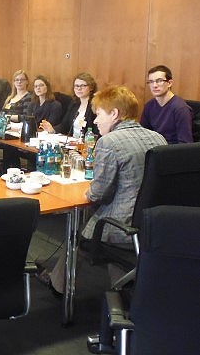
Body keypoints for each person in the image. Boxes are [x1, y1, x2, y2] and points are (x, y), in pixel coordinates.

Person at [39, 86, 167, 301]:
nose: (96, 121)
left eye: (99, 114)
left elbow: (97, 193)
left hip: (119, 228)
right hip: (150, 224)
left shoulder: (109, 142)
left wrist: (87, 190)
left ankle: (59, 285)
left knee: (79, 235)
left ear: (114, 114)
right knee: (102, 234)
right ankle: (125, 289)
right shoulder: (158, 138)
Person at [140, 65, 193, 144]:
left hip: (171, 150)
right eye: (151, 81)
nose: (154, 85)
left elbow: (185, 143)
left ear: (169, 83)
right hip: (154, 148)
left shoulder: (181, 109)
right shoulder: (149, 106)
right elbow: (143, 134)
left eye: (159, 81)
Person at [41, 72, 100, 137]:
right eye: (76, 86)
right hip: (72, 141)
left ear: (91, 87)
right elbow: (65, 125)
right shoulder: (74, 104)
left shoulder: (95, 105)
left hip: (88, 141)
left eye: (83, 85)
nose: (79, 88)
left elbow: (97, 131)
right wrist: (52, 129)